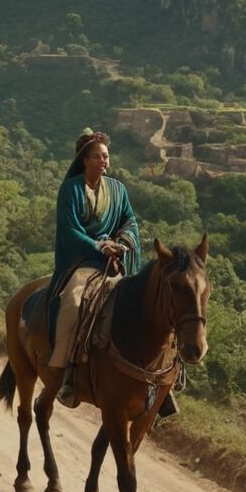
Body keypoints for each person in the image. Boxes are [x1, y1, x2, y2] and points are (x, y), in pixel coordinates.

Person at [47, 130, 141, 407]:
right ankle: (66, 369)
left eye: (106, 156)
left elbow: (130, 222)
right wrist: (100, 246)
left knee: (146, 305)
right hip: (84, 261)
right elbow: (70, 231)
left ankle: (159, 380)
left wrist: (121, 243)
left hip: (115, 261)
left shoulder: (118, 189)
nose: (104, 161)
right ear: (84, 160)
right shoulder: (70, 189)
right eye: (98, 157)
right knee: (73, 301)